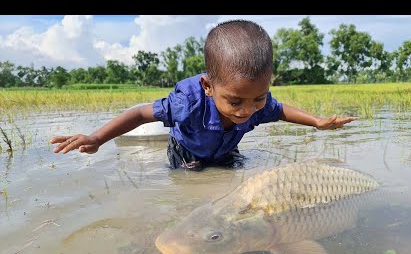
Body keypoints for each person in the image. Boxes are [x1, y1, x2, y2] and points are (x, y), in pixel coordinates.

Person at [50, 19, 356, 171]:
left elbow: (281, 110)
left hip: (223, 150)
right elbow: (141, 114)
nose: (247, 110)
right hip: (186, 152)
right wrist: (97, 139)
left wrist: (317, 122)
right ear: (208, 86)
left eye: (258, 98)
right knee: (187, 184)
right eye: (235, 101)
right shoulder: (188, 103)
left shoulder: (258, 102)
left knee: (232, 178)